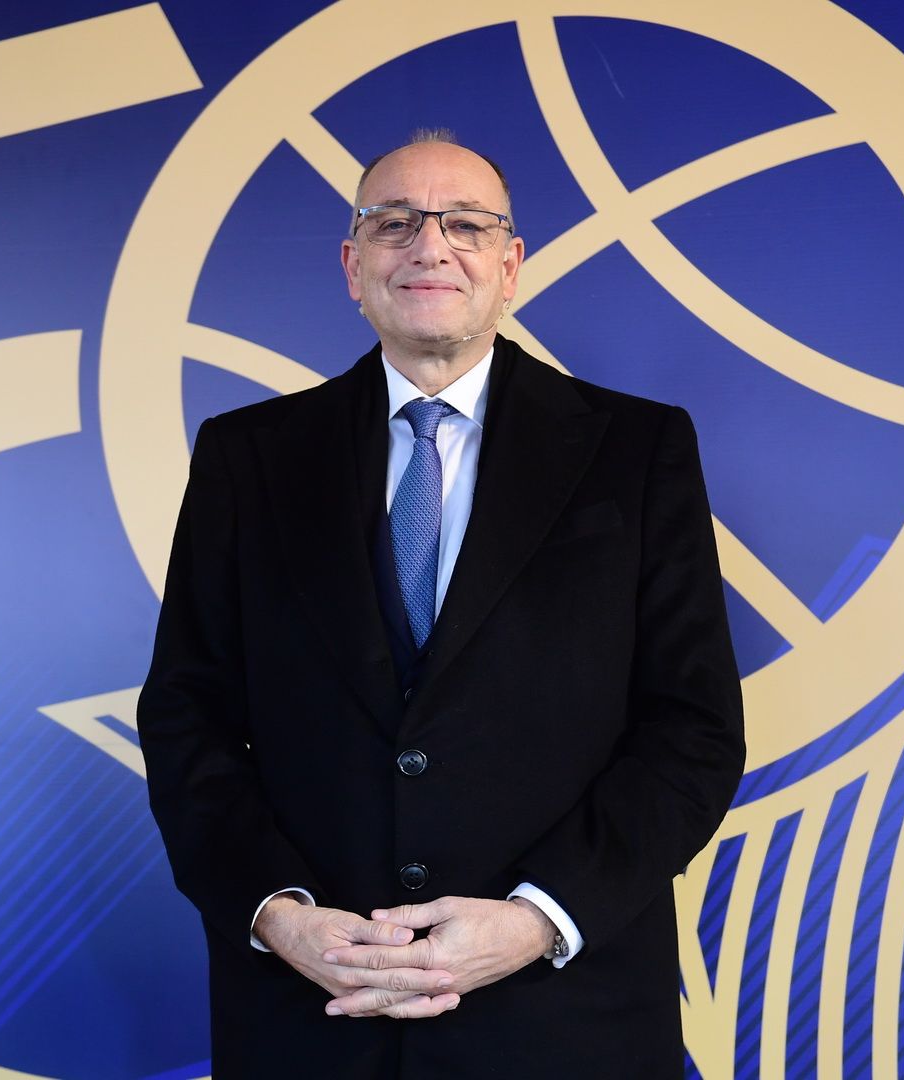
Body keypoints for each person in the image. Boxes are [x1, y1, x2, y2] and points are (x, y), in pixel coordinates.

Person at [136, 130, 745, 1079]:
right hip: (312, 1018)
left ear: (510, 266)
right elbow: (187, 717)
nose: (431, 246)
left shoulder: (637, 451)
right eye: (395, 224)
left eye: (466, 224)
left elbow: (692, 731)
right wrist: (278, 914)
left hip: (564, 1027)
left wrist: (537, 919)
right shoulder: (245, 456)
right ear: (353, 266)